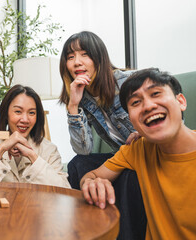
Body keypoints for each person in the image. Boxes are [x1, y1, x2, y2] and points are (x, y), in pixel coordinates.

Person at [81, 68, 196, 239]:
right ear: (131, 120)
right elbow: (91, 175)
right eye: (136, 103)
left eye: (155, 93)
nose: (148, 106)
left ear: (181, 101)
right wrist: (91, 183)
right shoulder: (138, 149)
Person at [59, 31, 146, 239]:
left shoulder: (126, 83)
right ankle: (86, 229)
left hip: (144, 154)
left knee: (128, 174)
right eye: (70, 57)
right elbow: (84, 150)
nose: (77, 62)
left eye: (84, 54)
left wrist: (143, 135)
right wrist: (73, 105)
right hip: (123, 156)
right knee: (77, 164)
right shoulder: (83, 96)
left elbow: (169, 120)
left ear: (99, 57)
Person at [0, 84, 70, 188]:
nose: (25, 120)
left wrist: (32, 156)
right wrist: (0, 150)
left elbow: (65, 191)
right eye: (18, 111)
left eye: (31, 113)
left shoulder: (49, 150)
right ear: (6, 113)